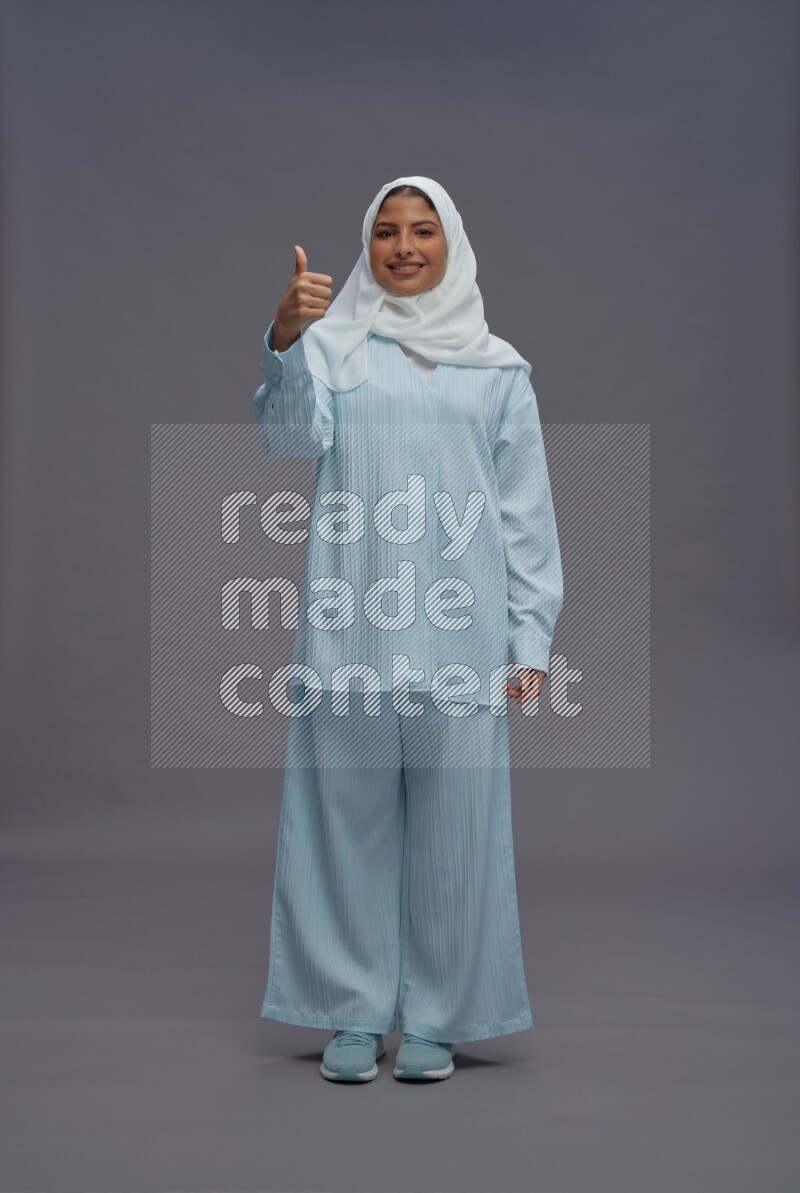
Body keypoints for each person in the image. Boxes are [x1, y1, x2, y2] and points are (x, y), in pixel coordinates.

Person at [251, 175, 563, 1082]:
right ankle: (350, 1009)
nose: (402, 246)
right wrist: (285, 339)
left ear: (451, 242)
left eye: (422, 230)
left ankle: (438, 1015)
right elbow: (285, 441)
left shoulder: (498, 368)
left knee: (459, 831)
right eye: (386, 231)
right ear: (367, 245)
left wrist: (530, 634)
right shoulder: (335, 349)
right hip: (351, 623)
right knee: (338, 821)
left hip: (461, 634)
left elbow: (524, 512)